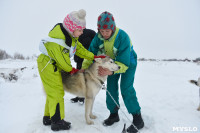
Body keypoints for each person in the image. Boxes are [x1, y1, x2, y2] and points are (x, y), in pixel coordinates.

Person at [37, 9, 104, 131]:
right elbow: (64, 62)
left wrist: (93, 56)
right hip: (47, 65)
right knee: (56, 93)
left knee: (52, 93)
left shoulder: (72, 38)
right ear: (71, 28)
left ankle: (48, 117)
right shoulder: (59, 42)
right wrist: (72, 70)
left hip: (53, 65)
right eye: (80, 30)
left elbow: (80, 50)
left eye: (83, 29)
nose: (82, 32)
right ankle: (57, 121)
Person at [82, 11, 144, 133]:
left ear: (113, 28)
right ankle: (114, 114)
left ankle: (138, 118)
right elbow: (90, 55)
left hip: (127, 62)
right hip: (110, 64)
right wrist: (84, 67)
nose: (104, 34)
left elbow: (124, 63)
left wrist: (111, 72)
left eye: (107, 31)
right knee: (111, 88)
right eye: (102, 31)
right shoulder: (98, 38)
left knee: (126, 88)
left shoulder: (123, 37)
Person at [71, 28, 96, 104]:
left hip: (87, 60)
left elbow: (95, 45)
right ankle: (78, 96)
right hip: (79, 60)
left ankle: (84, 97)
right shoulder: (75, 33)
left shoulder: (90, 33)